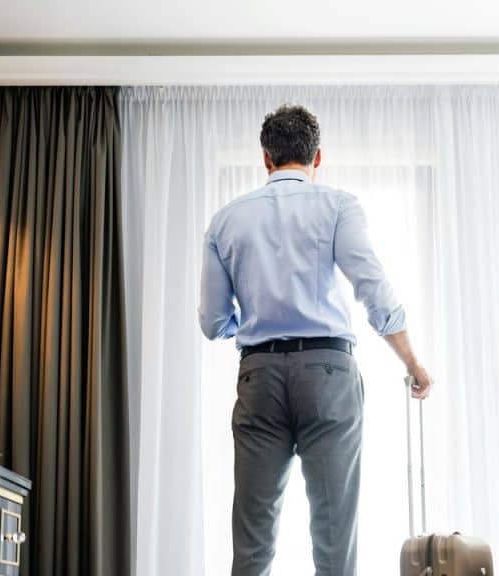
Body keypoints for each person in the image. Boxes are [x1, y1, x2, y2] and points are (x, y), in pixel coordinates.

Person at [198, 104, 433, 576]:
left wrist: (250, 323)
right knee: (333, 535)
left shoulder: (226, 221)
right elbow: (372, 287)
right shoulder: (338, 207)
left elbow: (212, 321)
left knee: (252, 540)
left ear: (265, 158)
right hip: (328, 373)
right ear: (317, 157)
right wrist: (412, 361)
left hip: (259, 375)